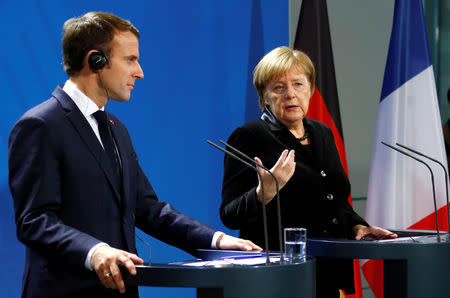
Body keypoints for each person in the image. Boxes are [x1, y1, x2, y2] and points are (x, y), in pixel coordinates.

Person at [8, 12, 261, 298]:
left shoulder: (117, 130)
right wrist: (95, 251)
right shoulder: (40, 125)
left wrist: (216, 240)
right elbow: (34, 220)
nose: (139, 72)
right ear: (96, 61)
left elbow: (149, 210)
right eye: (130, 59)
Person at [220, 46, 396, 297]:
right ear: (264, 96)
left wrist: (357, 225)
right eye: (278, 87)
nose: (291, 94)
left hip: (327, 271)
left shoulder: (321, 133)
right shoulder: (248, 137)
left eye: (298, 84)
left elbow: (332, 198)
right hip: (279, 278)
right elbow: (229, 214)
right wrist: (263, 194)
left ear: (311, 89)